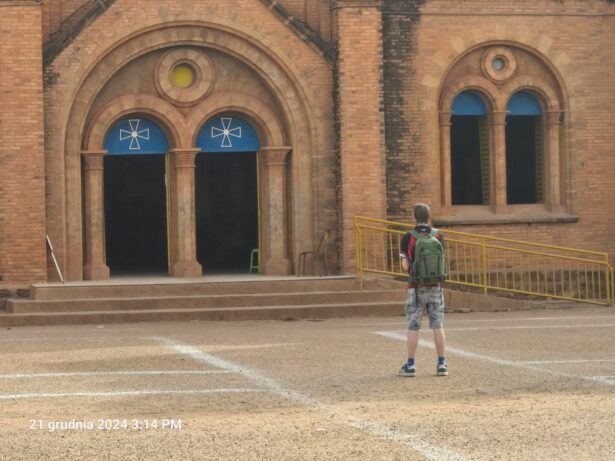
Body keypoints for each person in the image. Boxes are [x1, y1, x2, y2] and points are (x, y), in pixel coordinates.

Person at [398, 203, 448, 377]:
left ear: (414, 217)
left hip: (416, 287)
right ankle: (442, 363)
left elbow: (405, 266)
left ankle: (410, 365)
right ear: (429, 216)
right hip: (436, 287)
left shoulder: (408, 237)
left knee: (413, 326)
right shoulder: (438, 235)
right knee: (437, 325)